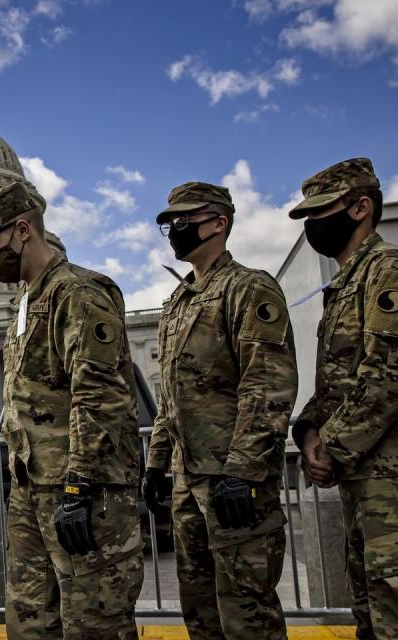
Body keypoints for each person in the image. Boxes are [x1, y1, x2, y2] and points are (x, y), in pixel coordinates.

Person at [0, 181, 143, 639]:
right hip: (32, 490)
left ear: (23, 230)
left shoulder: (78, 293)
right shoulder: (27, 303)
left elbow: (98, 396)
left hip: (82, 490)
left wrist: (78, 485)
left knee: (94, 623)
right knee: (29, 621)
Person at [142, 182, 297, 639]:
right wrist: (156, 464)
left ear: (219, 223)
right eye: (170, 222)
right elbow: (171, 398)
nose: (175, 229)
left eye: (184, 220)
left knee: (248, 612)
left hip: (234, 483)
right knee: (201, 613)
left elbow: (267, 383)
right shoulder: (177, 304)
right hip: (189, 484)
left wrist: (244, 470)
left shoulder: (249, 288)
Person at [289, 158, 398, 640]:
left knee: (396, 616)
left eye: (322, 212)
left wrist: (331, 446)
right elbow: (334, 387)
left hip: (396, 485)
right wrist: (309, 432)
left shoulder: (390, 271)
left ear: (362, 207)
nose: (314, 225)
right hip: (364, 482)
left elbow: (392, 374)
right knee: (370, 615)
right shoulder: (342, 287)